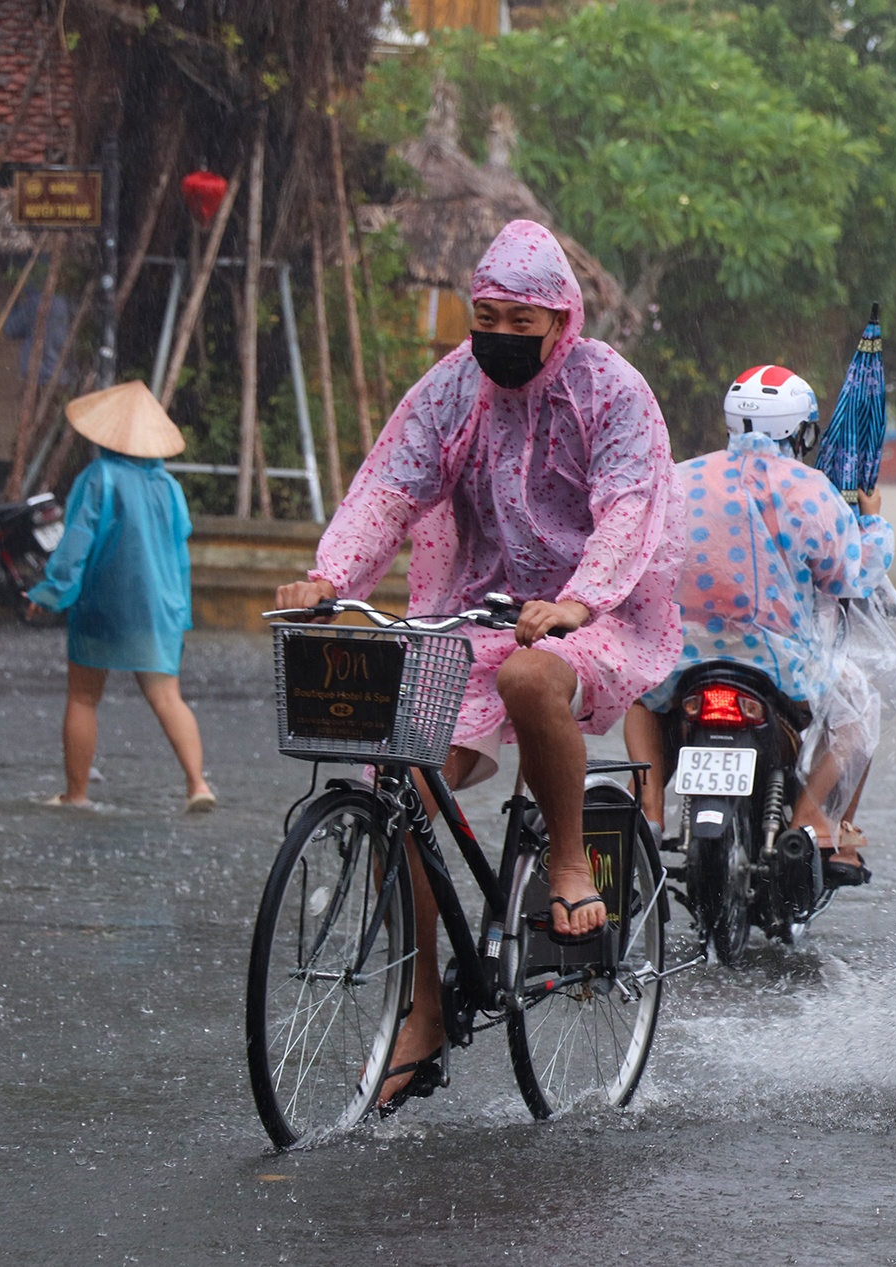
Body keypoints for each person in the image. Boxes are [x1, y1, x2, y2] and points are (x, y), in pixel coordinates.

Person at [274, 220, 682, 1110]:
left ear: (560, 320)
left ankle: (569, 864)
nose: (497, 335)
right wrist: (329, 576)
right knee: (399, 773)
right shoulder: (454, 385)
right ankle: (421, 1017)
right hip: (479, 608)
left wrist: (580, 598)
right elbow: (390, 485)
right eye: (484, 316)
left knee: (531, 677)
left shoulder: (608, 388)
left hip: (596, 610)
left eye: (518, 321)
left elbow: (628, 506)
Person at [624, 364, 895, 878]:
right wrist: (873, 522)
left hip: (682, 661)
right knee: (859, 712)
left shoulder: (679, 479)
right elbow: (849, 576)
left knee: (640, 698)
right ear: (802, 431)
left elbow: (647, 564)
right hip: (779, 669)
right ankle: (811, 816)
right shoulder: (812, 490)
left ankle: (649, 810)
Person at [27, 381, 214, 812]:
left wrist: (50, 592)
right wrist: (177, 610)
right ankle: (197, 784)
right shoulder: (169, 487)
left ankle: (76, 794)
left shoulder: (99, 477)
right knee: (168, 697)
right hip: (159, 605)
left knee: (83, 697)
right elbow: (177, 549)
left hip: (104, 603)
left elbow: (75, 543)